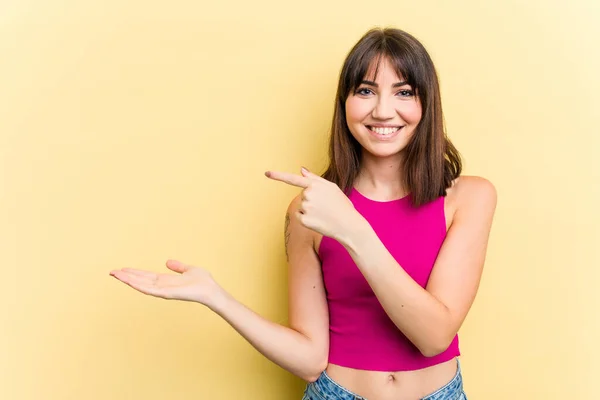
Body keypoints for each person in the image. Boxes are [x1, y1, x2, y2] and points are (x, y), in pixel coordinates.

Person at [109, 27, 497, 400]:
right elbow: (311, 360)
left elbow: (434, 338)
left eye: (404, 92)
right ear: (344, 103)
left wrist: (354, 231)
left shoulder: (469, 198)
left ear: (426, 104)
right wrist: (216, 297)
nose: (382, 110)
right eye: (366, 90)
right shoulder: (310, 209)